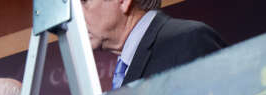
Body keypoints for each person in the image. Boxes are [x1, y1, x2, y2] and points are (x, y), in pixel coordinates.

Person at [80, 0, 225, 89]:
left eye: (84, 1)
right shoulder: (125, 68)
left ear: (123, 1)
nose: (78, 17)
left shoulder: (189, 40)